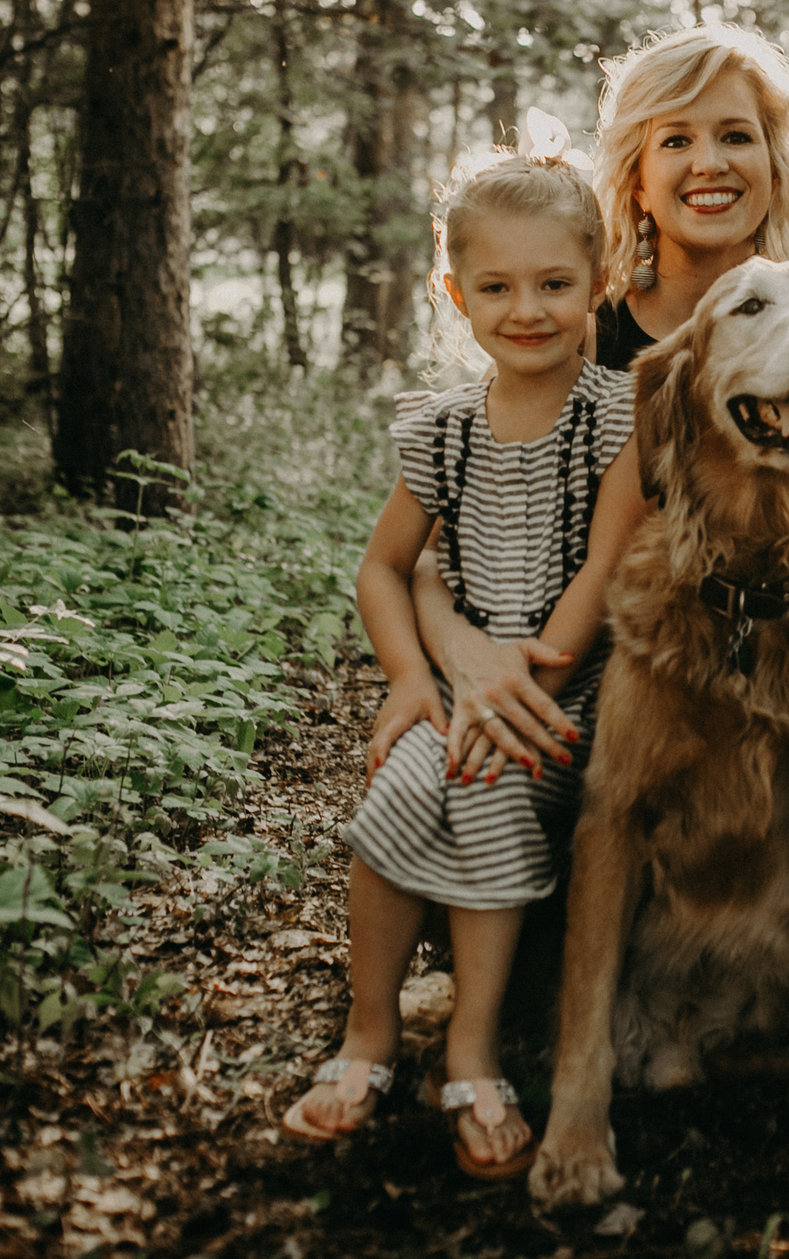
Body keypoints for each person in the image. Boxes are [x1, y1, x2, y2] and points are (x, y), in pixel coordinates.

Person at [280, 154, 649, 1180]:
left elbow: (605, 573)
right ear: (455, 293)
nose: (525, 308)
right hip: (458, 682)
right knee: (404, 780)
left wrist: (528, 687)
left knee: (481, 783)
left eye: (553, 284)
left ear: (599, 281)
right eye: (495, 286)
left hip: (566, 697)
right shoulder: (444, 428)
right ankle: (367, 1035)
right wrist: (408, 679)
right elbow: (381, 567)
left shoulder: (618, 417)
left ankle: (472, 1051)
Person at [415, 25, 789, 771]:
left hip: (779, 706)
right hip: (579, 700)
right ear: (636, 177)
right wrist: (463, 657)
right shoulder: (580, 333)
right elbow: (441, 547)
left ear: (773, 164)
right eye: (675, 140)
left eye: (736, 135)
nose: (709, 162)